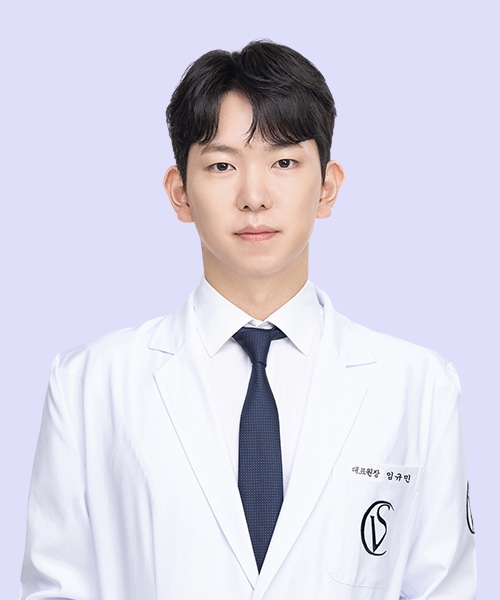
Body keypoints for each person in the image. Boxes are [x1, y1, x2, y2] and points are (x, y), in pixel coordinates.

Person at [19, 40, 476, 599]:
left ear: (327, 187)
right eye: (222, 165)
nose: (254, 196)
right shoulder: (88, 385)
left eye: (283, 162)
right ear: (180, 193)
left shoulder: (420, 387)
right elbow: (56, 589)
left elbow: (443, 589)